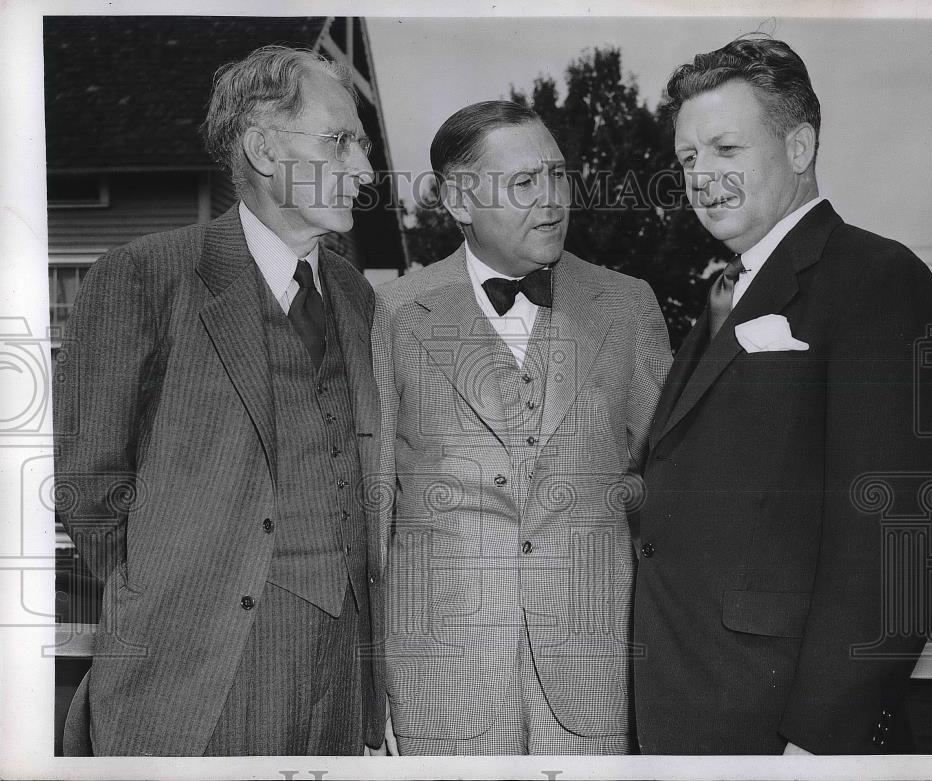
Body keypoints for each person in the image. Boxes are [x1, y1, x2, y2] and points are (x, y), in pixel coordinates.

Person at [55, 45, 385, 756]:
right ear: (264, 148)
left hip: (338, 677)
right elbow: (87, 486)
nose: (364, 169)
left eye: (361, 145)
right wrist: (171, 596)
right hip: (196, 678)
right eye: (340, 141)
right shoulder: (146, 276)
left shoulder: (359, 298)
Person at [633, 35, 932, 755]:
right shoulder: (724, 291)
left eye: (725, 148)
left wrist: (820, 742)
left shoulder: (875, 276)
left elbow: (900, 536)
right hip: (691, 715)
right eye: (688, 158)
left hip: (783, 734)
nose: (701, 176)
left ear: (801, 145)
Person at [373, 100, 672, 755]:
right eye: (524, 183)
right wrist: (376, 703)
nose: (552, 199)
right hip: (442, 690)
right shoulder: (390, 314)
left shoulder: (626, 306)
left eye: (558, 176)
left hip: (598, 687)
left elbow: (670, 496)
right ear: (458, 199)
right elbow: (370, 519)